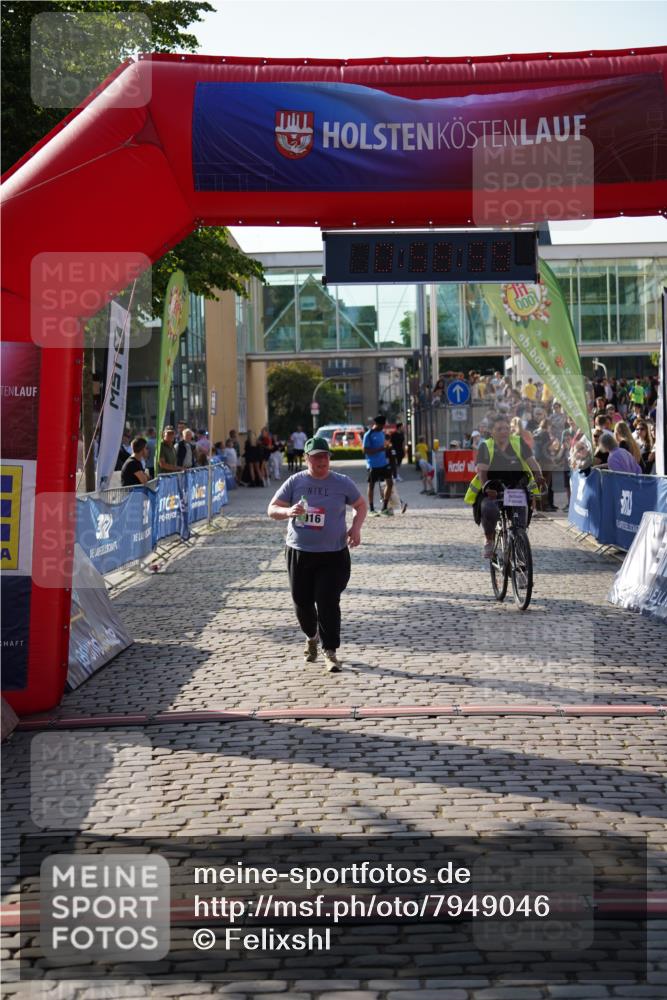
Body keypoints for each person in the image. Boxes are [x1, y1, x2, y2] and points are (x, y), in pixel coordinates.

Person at [267, 436, 367, 673]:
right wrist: (288, 511)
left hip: (333, 553)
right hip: (299, 552)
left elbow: (361, 505)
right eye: (316, 457)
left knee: (327, 601)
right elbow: (271, 509)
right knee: (302, 602)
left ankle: (330, 651)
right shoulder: (295, 482)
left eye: (325, 457)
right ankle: (311, 637)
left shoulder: (342, 482)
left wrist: (356, 527)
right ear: (306, 459)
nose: (321, 461)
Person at [464, 414, 544, 559]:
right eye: (499, 429)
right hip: (493, 489)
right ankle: (489, 539)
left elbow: (531, 461)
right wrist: (487, 488)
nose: (504, 431)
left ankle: (519, 541)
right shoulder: (486, 446)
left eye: (507, 428)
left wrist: (538, 475)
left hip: (515, 488)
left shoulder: (518, 442)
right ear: (492, 431)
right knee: (489, 508)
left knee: (520, 522)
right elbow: (482, 471)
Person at [363, 415, 393, 515]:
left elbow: (382, 446)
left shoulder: (381, 433)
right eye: (382, 425)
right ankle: (371, 509)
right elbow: (365, 450)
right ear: (377, 424)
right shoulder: (368, 434)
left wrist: (386, 447)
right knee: (371, 486)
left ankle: (384, 508)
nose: (383, 427)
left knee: (390, 483)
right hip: (373, 464)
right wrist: (379, 449)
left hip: (383, 463)